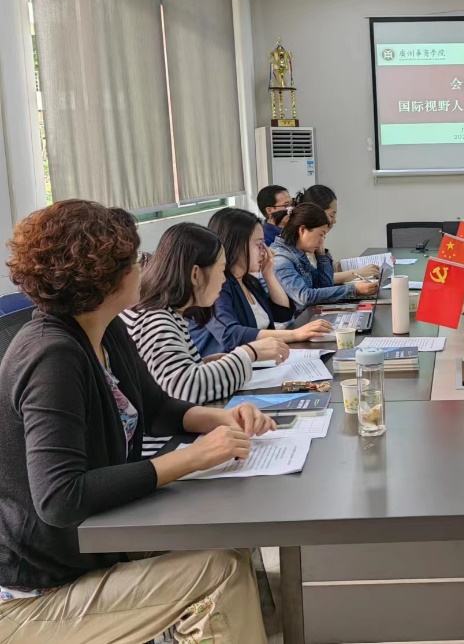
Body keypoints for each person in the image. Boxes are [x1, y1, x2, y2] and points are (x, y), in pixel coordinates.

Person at [0, 200, 270, 643]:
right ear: (102, 277)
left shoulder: (107, 329)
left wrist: (223, 417)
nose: (143, 266)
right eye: (132, 260)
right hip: (36, 590)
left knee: (231, 535)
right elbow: (61, 498)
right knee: (218, 569)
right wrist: (193, 459)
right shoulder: (52, 356)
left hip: (91, 547)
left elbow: (156, 407)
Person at [122, 223, 290, 404]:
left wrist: (204, 364)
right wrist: (249, 353)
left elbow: (170, 377)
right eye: (221, 270)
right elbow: (186, 390)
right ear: (196, 274)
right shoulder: (156, 320)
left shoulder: (171, 313)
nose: (224, 279)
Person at [188, 207, 334, 357]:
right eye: (259, 245)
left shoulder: (249, 282)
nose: (266, 251)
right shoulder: (218, 286)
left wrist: (268, 274)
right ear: (236, 245)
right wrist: (295, 334)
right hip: (228, 368)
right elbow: (230, 335)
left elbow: (283, 315)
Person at [272, 203, 377, 308]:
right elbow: (304, 296)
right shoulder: (281, 259)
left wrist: (321, 255)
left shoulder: (298, 253)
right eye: (321, 234)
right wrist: (354, 290)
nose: (322, 241)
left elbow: (325, 285)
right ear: (302, 230)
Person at [296, 184, 379, 282]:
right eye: (331, 216)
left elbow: (324, 273)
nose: (334, 221)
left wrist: (339, 267)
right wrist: (358, 273)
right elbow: (317, 281)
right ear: (316, 212)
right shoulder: (303, 244)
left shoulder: (315, 239)